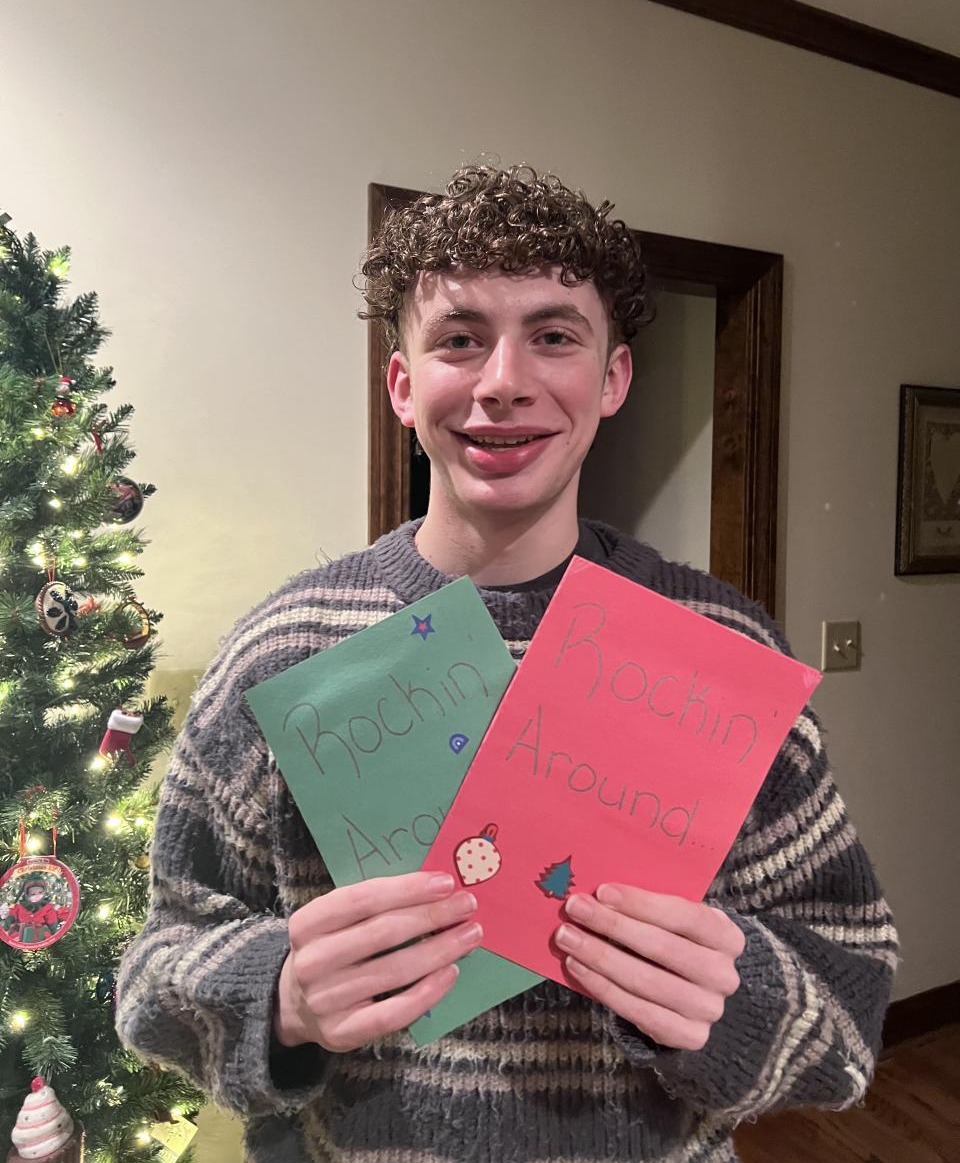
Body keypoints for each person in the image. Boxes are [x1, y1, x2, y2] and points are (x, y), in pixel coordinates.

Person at [117, 164, 898, 1163]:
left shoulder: (723, 651)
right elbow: (156, 973)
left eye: (554, 335)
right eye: (459, 339)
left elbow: (850, 1001)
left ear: (613, 379)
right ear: (403, 386)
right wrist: (279, 996)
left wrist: (738, 1004)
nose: (502, 381)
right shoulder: (284, 648)